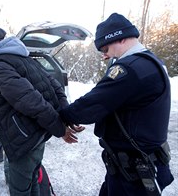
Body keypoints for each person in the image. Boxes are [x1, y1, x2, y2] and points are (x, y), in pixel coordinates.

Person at [59, 13, 174, 196]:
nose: (105, 54)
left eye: (104, 48)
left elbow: (93, 104)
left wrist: (62, 116)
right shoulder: (151, 61)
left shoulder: (130, 69)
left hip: (134, 173)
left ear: (119, 39)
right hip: (137, 164)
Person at [0, 27, 81, 196]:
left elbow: (32, 102)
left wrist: (61, 128)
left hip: (23, 141)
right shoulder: (23, 58)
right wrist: (64, 116)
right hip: (36, 135)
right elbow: (55, 86)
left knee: (20, 189)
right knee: (33, 178)